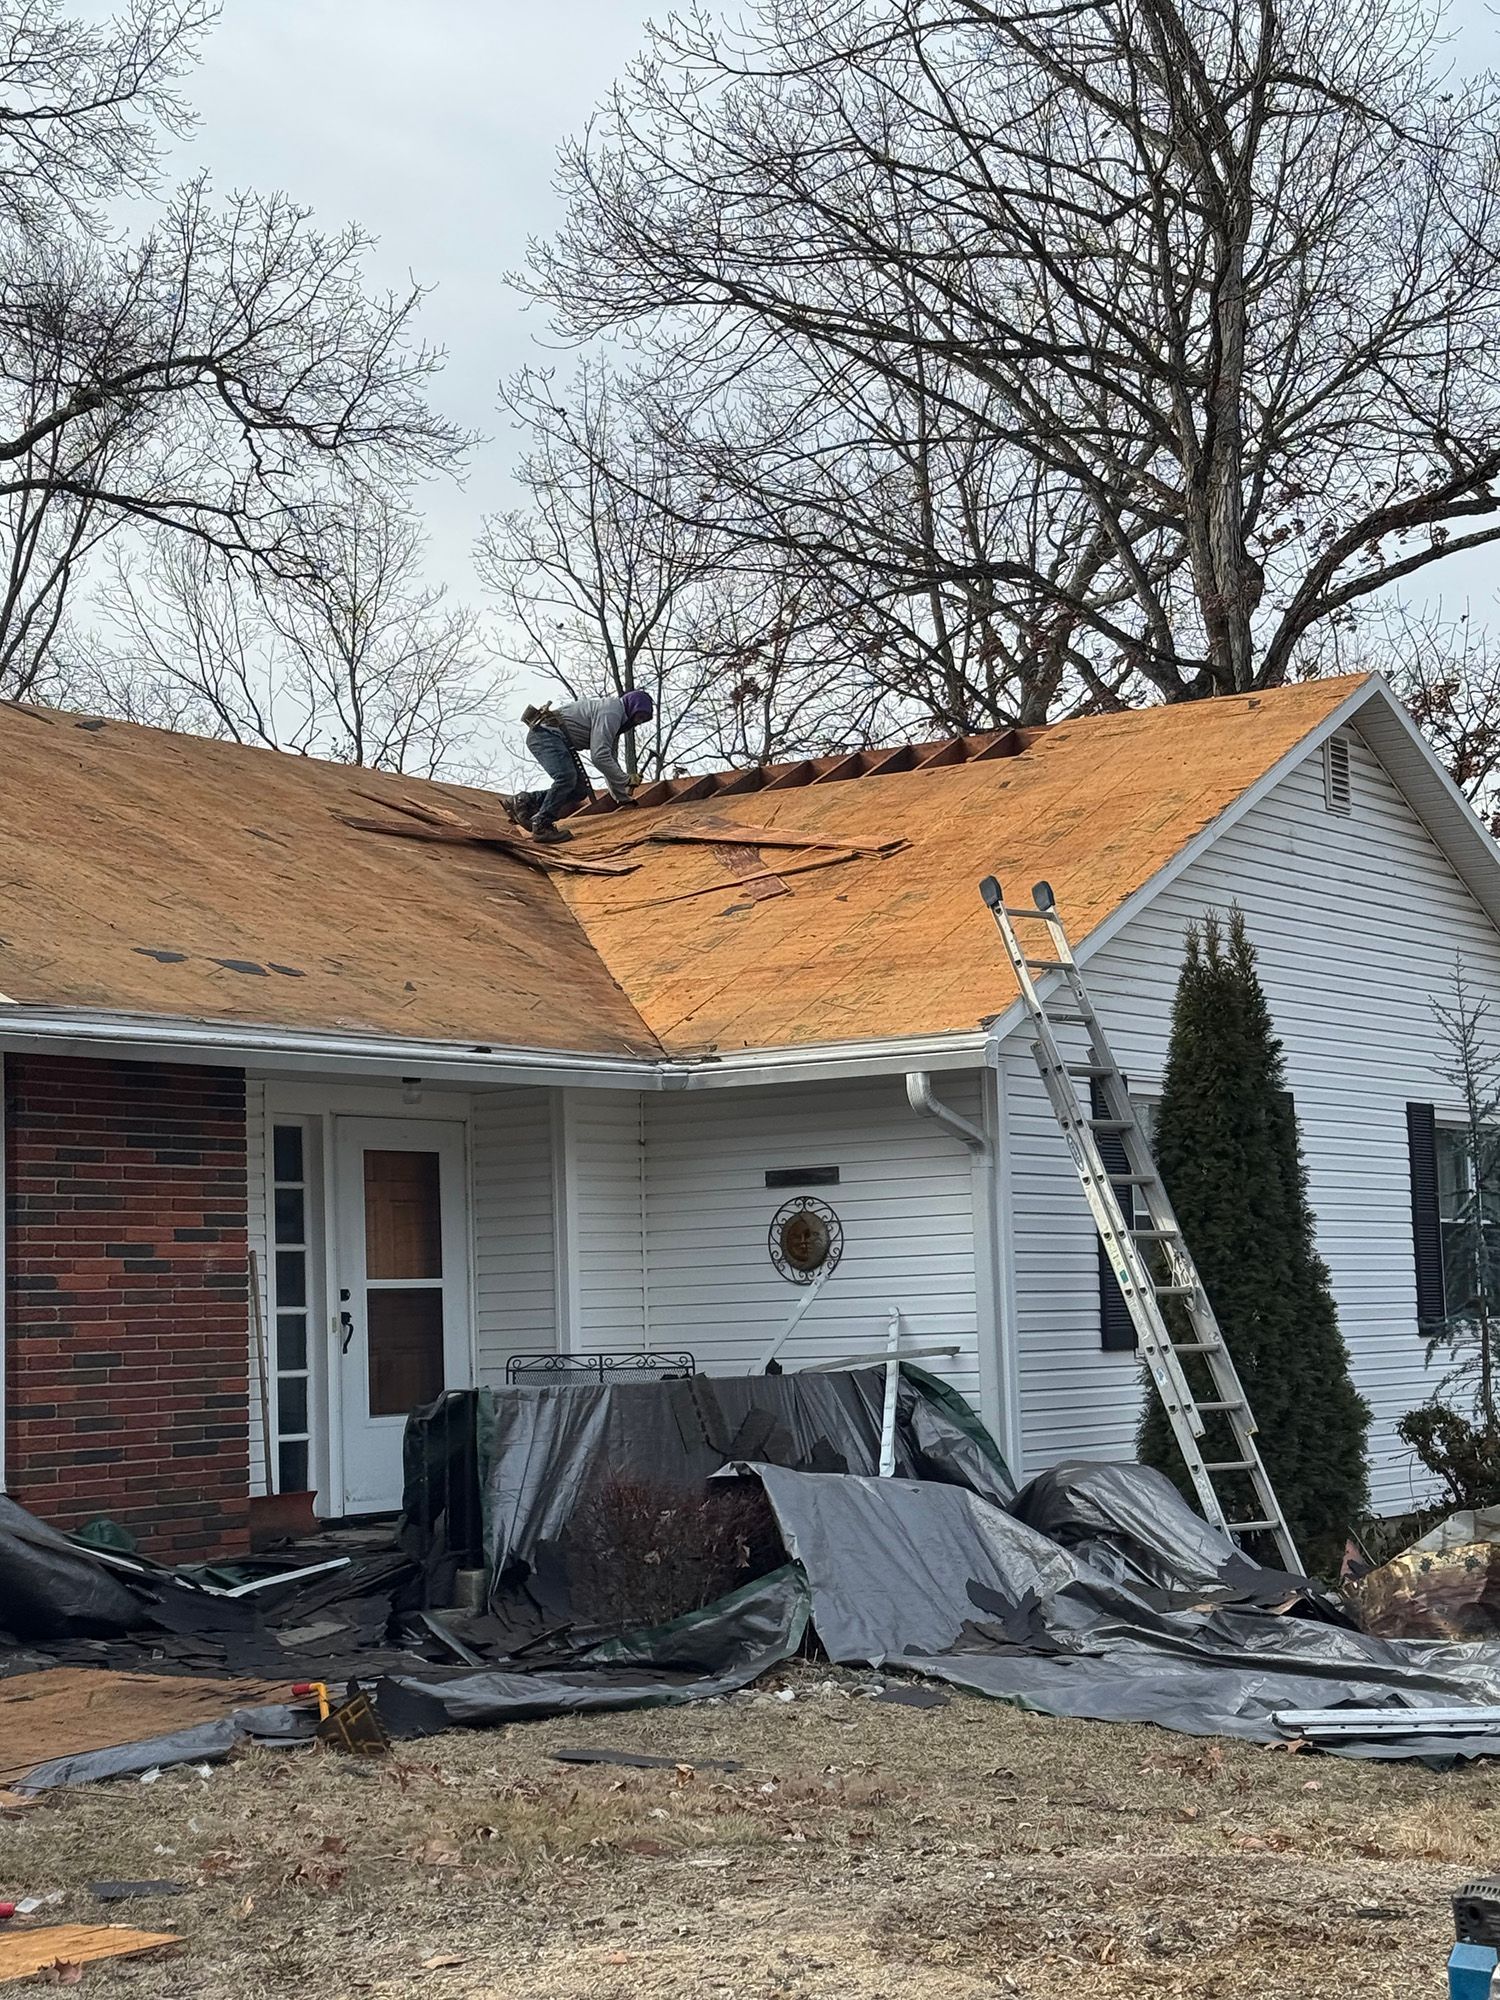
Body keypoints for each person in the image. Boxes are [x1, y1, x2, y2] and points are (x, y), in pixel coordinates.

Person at [509, 689, 655, 843]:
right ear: (631, 707)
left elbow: (609, 760)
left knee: (578, 790)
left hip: (558, 739)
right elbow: (599, 757)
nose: (639, 722)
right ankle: (542, 825)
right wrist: (626, 779)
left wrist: (622, 797)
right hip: (545, 735)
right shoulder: (612, 712)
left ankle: (524, 802)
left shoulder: (615, 720)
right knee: (566, 778)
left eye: (643, 719)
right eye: (639, 716)